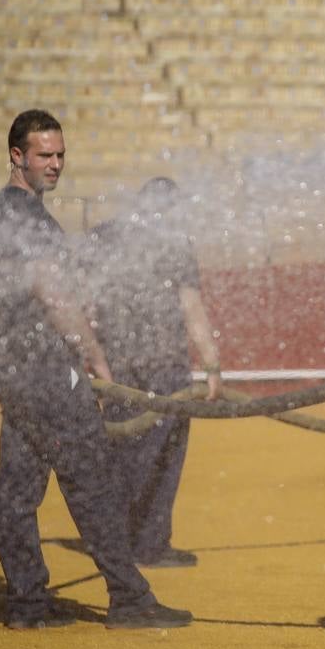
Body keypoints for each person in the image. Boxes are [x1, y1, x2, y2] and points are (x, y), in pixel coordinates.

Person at [0, 109, 191, 629]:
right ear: (17, 156)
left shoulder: (12, 213)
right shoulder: (23, 215)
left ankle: (27, 604)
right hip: (50, 372)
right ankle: (130, 598)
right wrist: (95, 356)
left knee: (18, 488)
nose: (54, 165)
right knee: (93, 482)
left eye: (59, 155)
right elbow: (51, 293)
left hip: (18, 370)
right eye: (43, 156)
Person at [78, 176, 222, 568]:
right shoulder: (174, 242)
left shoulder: (106, 237)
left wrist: (93, 358)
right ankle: (146, 543)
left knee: (123, 451)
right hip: (163, 365)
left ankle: (113, 538)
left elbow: (82, 300)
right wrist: (211, 364)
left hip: (120, 364)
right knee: (162, 455)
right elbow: (191, 308)